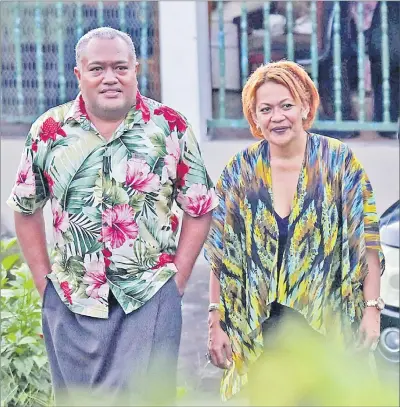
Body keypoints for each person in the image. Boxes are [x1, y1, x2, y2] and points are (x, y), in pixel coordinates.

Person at [7, 27, 218, 404]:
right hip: (72, 302)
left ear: (136, 69)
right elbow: (25, 209)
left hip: (149, 296)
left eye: (120, 67)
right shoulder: (49, 131)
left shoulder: (169, 127)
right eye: (97, 69)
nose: (110, 78)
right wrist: (46, 287)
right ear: (79, 74)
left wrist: (178, 279)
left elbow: (200, 208)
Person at [204, 61, 385, 401]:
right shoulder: (240, 171)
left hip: (329, 319)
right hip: (257, 327)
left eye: (286, 105)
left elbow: (367, 244)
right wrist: (215, 322)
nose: (277, 117)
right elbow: (221, 254)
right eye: (266, 109)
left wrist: (372, 310)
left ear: (305, 105)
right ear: (254, 117)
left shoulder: (339, 162)